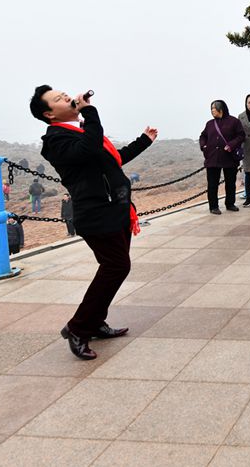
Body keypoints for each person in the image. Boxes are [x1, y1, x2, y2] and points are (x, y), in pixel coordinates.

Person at [30, 85, 156, 360]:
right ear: (49, 114)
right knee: (116, 266)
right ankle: (78, 328)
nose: (66, 97)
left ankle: (95, 321)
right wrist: (89, 111)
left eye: (64, 94)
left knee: (114, 268)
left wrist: (143, 141)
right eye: (58, 99)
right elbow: (89, 149)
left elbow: (113, 160)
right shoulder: (56, 140)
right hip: (96, 214)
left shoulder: (79, 132)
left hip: (116, 209)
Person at [199, 99, 245, 214]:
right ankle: (213, 206)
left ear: (221, 109)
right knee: (212, 184)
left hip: (229, 157)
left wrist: (231, 145)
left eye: (214, 108)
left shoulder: (234, 121)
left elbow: (241, 136)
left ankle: (230, 204)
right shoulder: (210, 123)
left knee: (230, 183)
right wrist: (204, 146)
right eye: (211, 108)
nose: (212, 111)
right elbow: (203, 136)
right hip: (212, 158)